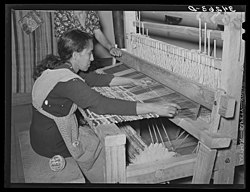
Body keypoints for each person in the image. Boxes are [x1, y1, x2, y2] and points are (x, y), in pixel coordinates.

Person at [30, 29, 180, 183]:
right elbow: (102, 105)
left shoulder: (60, 70)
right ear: (75, 55)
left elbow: (95, 79)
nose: (93, 57)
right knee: (102, 149)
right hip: (52, 144)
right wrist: (153, 107)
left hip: (41, 136)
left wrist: (132, 81)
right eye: (89, 53)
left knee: (97, 132)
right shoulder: (69, 83)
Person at [54, 10, 122, 61]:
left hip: (87, 56)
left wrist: (110, 48)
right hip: (71, 58)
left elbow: (98, 33)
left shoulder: (91, 12)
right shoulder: (62, 13)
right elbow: (63, 43)